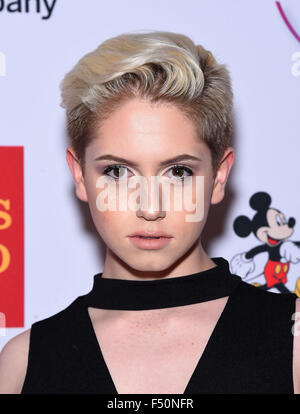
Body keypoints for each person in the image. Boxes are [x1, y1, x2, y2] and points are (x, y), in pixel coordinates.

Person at [0, 30, 299, 394]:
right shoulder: (24, 363)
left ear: (219, 177)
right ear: (79, 175)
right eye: (117, 171)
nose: (150, 207)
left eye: (178, 172)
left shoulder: (293, 342)